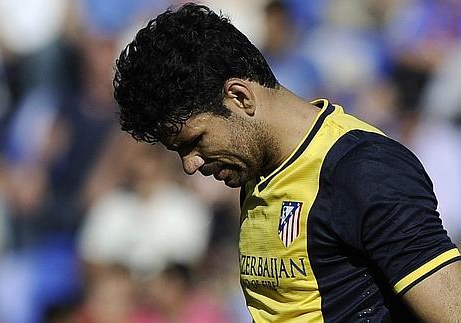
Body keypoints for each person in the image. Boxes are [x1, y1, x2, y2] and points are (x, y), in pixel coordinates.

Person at [112, 3, 461, 322]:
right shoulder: (256, 169)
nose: (189, 165)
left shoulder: (362, 171)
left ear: (239, 97)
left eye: (195, 141)